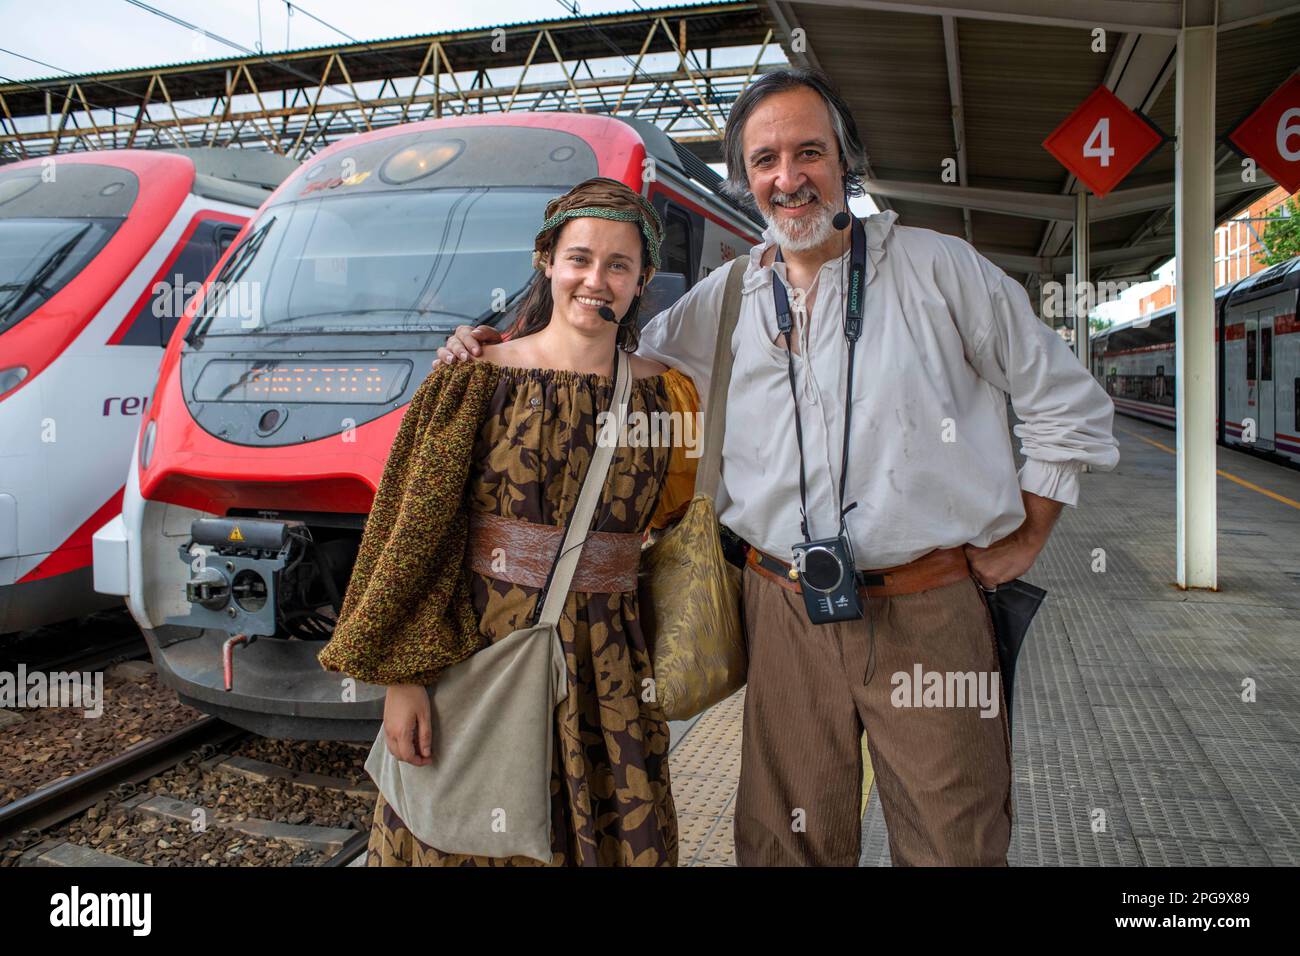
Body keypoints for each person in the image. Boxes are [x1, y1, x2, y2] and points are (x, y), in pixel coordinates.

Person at [436, 68, 1119, 866]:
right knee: (783, 842)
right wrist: (494, 346)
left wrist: (1029, 536)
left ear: (844, 163)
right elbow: (607, 359)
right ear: (747, 178)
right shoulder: (727, 298)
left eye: (809, 154)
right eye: (765, 161)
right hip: (781, 607)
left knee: (954, 840)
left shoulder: (942, 269)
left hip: (930, 607)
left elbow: (1064, 401)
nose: (788, 179)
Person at [319, 177, 700, 866]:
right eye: (580, 258)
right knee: (467, 838)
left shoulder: (667, 395)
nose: (596, 279)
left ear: (643, 277)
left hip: (608, 668)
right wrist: (404, 678)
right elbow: (414, 538)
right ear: (546, 260)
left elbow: (673, 521)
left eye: (619, 265)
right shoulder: (473, 378)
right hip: (481, 652)